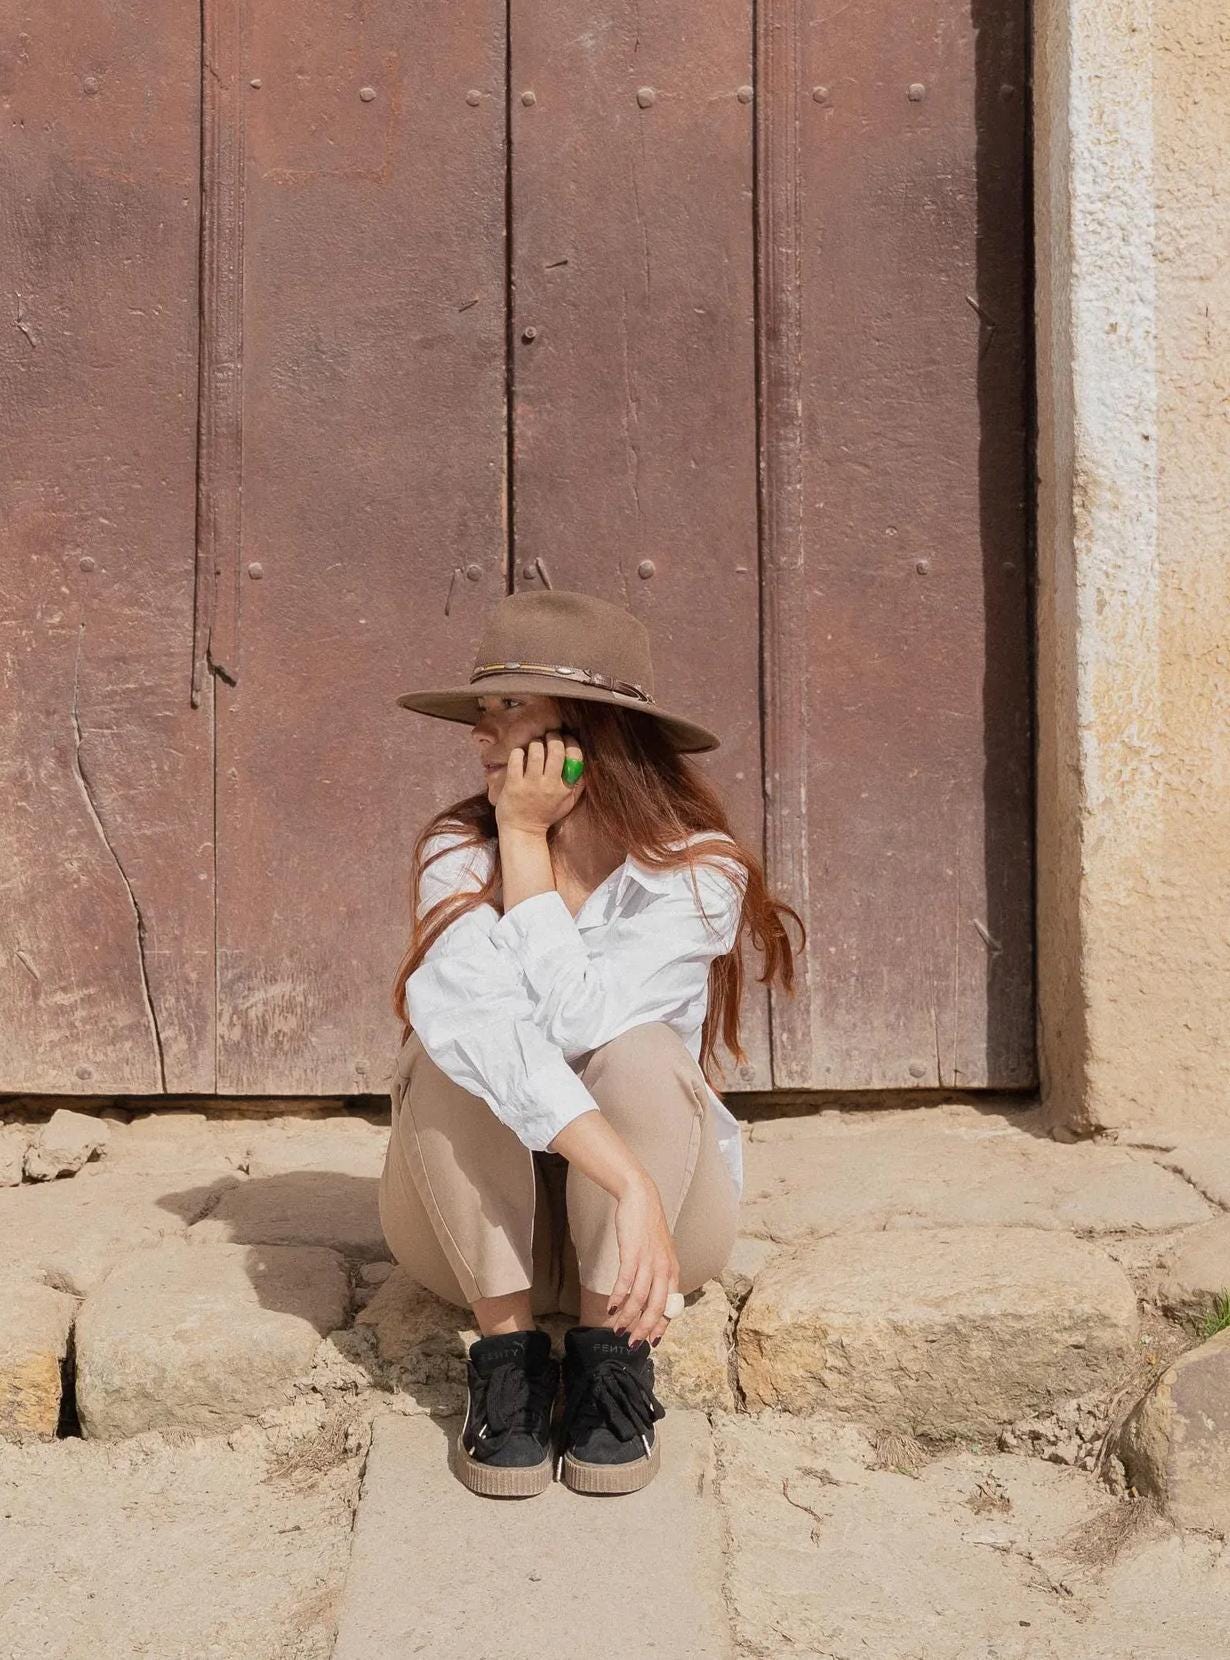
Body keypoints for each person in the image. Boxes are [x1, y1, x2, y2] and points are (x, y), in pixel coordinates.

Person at [380, 587, 804, 1497]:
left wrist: (527, 846)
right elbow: (481, 1025)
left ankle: (613, 1362)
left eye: (508, 708)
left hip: (653, 1243)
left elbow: (583, 1022)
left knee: (642, 1051)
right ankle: (508, 1364)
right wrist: (623, 1173)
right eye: (480, 707)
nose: (478, 733)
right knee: (452, 1049)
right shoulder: (459, 851)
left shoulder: (698, 873)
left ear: (586, 731)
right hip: (485, 1236)